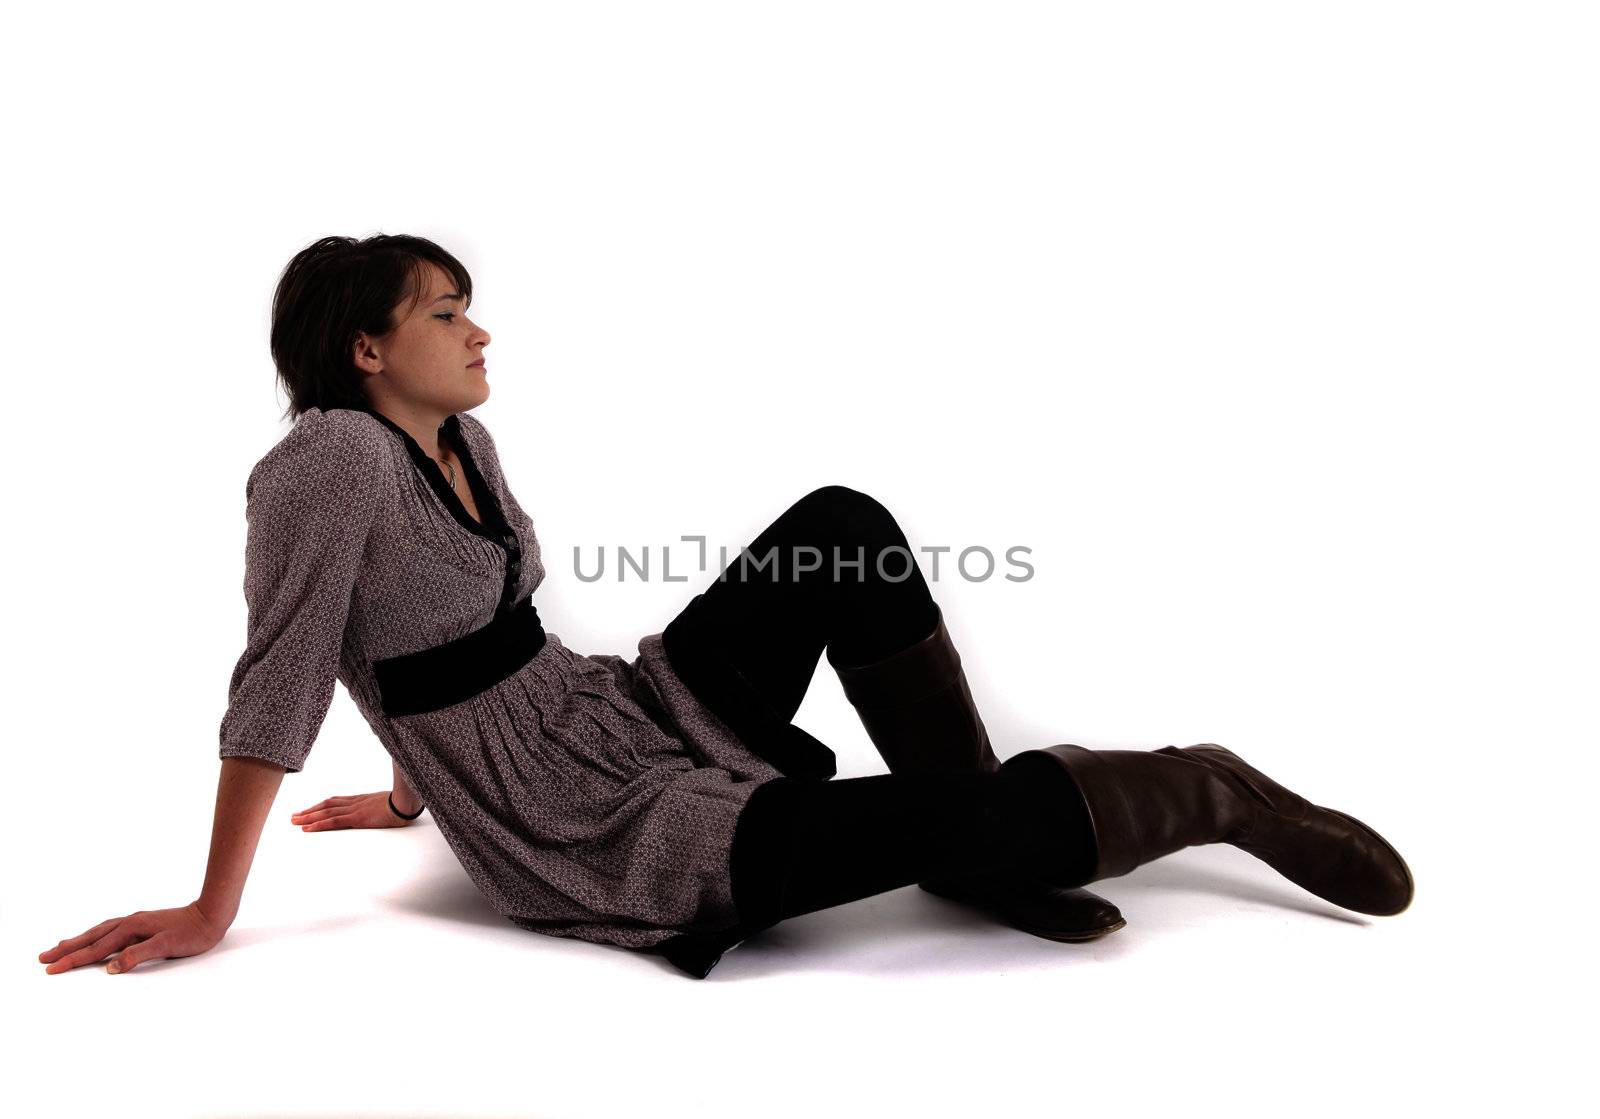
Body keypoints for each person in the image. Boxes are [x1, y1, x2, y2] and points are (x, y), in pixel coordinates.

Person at [39, 234, 1414, 982]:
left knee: (839, 528)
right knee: (972, 809)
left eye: (472, 309)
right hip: (583, 828)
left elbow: (425, 640)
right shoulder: (328, 460)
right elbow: (283, 673)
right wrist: (217, 907)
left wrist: (407, 798)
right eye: (448, 312)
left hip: (606, 714)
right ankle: (1216, 789)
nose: (480, 332)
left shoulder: (455, 440)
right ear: (365, 348)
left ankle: (987, 856)